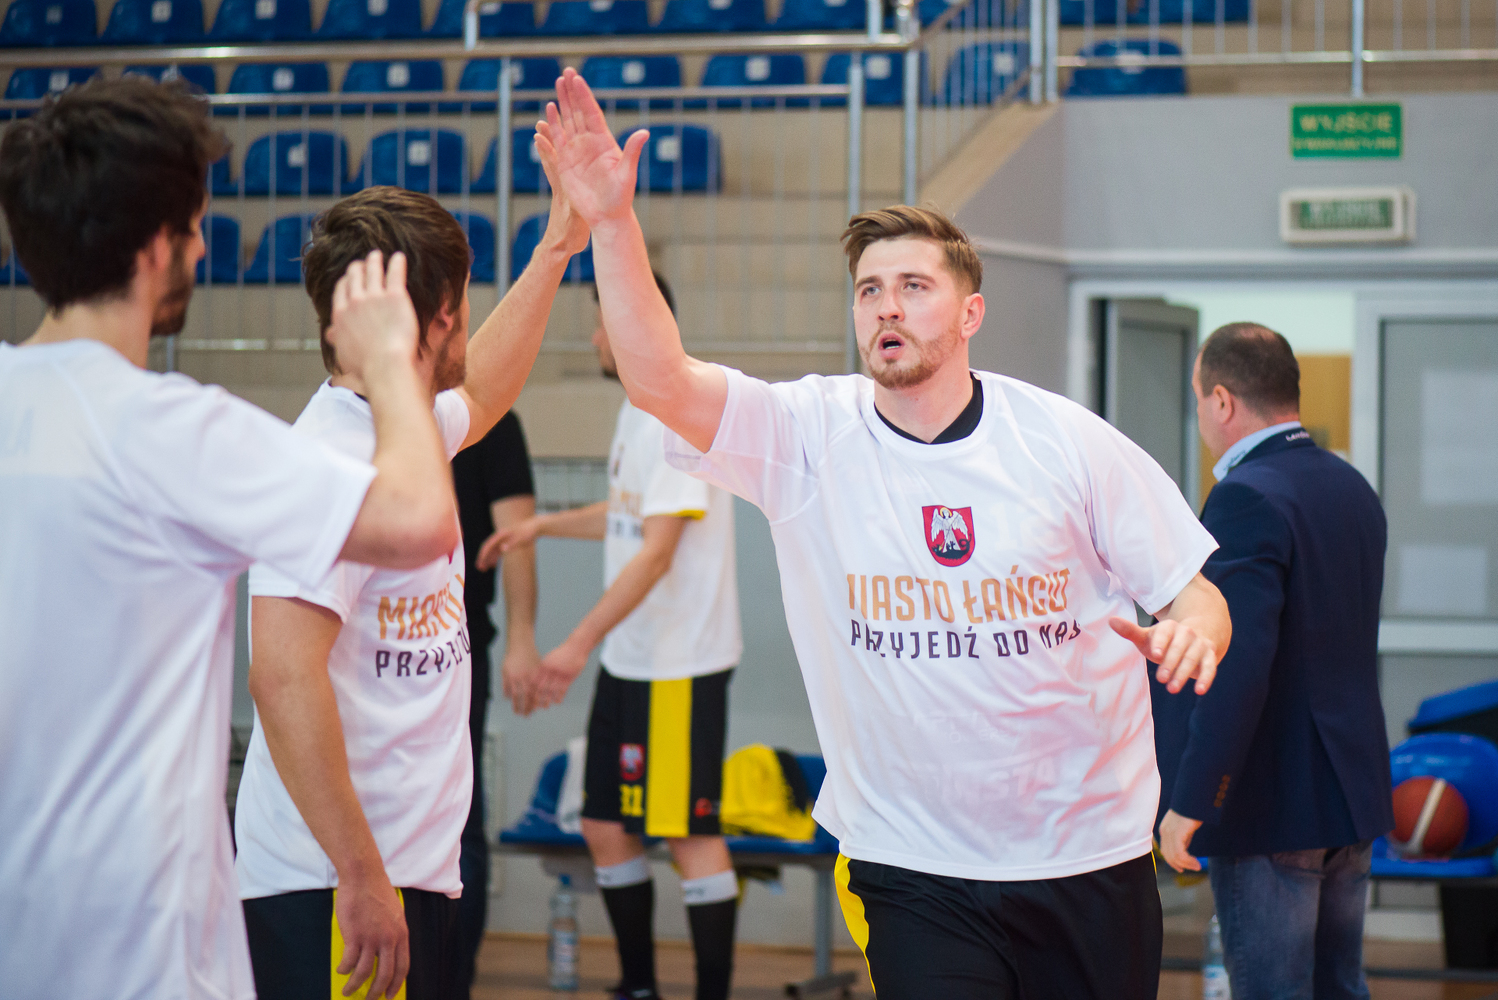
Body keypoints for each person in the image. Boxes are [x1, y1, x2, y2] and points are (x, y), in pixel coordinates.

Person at [534, 68, 1232, 1000]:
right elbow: (659, 379)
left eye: (912, 286)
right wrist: (613, 226)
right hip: (911, 866)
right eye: (869, 290)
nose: (886, 306)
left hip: (1085, 857)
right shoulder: (806, 435)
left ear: (970, 312)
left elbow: (1197, 590)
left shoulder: (1067, 442)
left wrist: (1195, 632)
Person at [0, 77, 460, 1000]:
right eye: (197, 228)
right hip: (140, 949)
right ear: (157, 247)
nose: (207, 248)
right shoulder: (172, 432)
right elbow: (417, 520)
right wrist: (388, 359)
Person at [232, 180, 587, 1000]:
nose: (465, 319)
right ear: (438, 317)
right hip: (337, 886)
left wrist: (555, 250)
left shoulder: (403, 423)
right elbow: (281, 678)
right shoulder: (327, 464)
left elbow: (485, 392)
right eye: (461, 301)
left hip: (402, 872)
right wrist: (360, 873)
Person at [479, 272, 743, 1000]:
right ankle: (639, 985)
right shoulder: (637, 409)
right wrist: (542, 525)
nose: (596, 336)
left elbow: (657, 553)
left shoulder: (677, 414)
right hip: (635, 660)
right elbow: (628, 515)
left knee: (688, 834)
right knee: (603, 822)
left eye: (604, 322)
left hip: (678, 664)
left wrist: (575, 643)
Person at [1152, 323, 1391, 1000]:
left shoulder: (1245, 496)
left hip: (1273, 802)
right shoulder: (1350, 486)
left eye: (1198, 398)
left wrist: (1193, 797)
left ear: (1222, 401)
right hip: (1349, 796)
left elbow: (1236, 661)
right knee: (1340, 987)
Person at [452, 410, 539, 993]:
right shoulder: (365, 409)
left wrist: (522, 638)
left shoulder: (489, 419)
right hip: (371, 649)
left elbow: (517, 536)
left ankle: (453, 979)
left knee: (461, 821)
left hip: (459, 645)